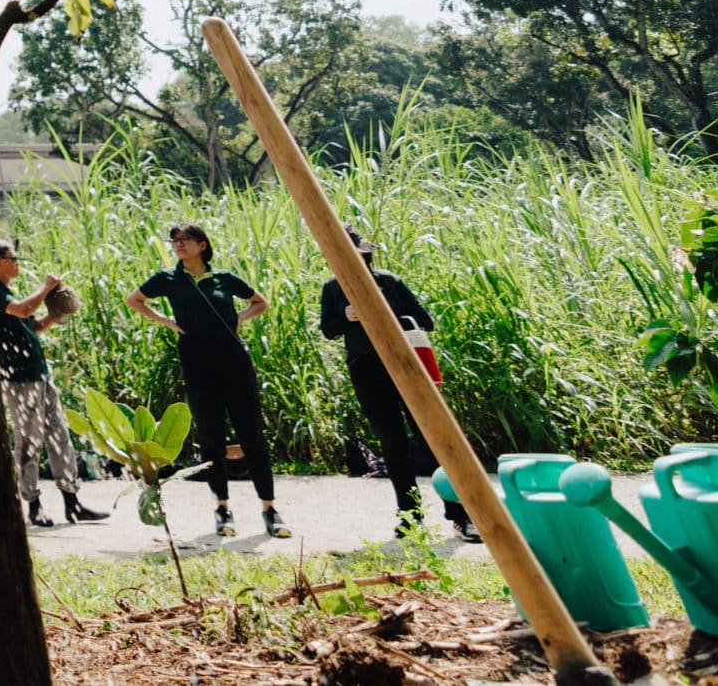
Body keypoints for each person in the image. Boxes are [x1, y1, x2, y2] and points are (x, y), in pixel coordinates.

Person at [128, 222, 291, 539]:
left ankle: (270, 509)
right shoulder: (168, 279)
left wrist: (238, 320)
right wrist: (166, 322)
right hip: (198, 364)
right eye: (175, 240)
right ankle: (222, 508)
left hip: (235, 362)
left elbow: (261, 301)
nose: (178, 244)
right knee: (212, 438)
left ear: (203, 245)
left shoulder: (224, 278)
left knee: (252, 436)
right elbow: (134, 300)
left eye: (185, 239)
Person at [322, 226, 480, 543]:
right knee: (393, 445)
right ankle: (410, 517)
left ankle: (461, 516)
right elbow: (328, 329)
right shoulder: (333, 288)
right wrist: (346, 316)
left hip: (407, 368)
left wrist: (385, 311)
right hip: (366, 371)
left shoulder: (388, 281)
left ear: (365, 254)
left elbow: (425, 320)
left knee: (434, 440)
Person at [0, 242, 105, 528]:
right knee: (28, 442)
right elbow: (24, 310)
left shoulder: (8, 291)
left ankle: (72, 503)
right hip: (19, 380)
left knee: (60, 437)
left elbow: (34, 325)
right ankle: (33, 504)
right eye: (13, 259)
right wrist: (47, 286)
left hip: (40, 375)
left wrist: (57, 313)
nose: (17, 263)